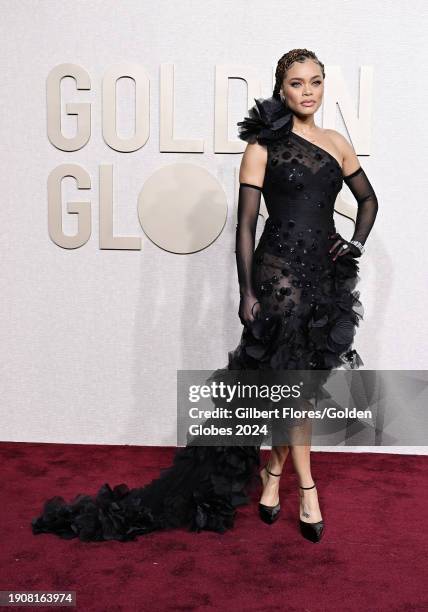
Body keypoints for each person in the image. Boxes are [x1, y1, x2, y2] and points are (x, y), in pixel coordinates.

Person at [31, 49, 378, 544]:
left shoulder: (338, 143)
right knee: (290, 389)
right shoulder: (262, 147)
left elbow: (369, 200)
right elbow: (243, 225)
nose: (308, 91)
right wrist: (247, 290)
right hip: (278, 278)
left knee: (293, 388)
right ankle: (309, 488)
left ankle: (273, 479)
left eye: (316, 81)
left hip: (324, 280)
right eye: (297, 83)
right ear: (282, 89)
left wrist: (354, 244)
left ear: (324, 86)